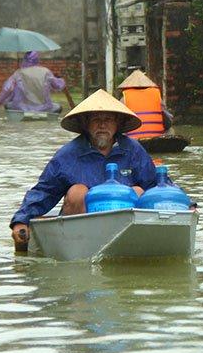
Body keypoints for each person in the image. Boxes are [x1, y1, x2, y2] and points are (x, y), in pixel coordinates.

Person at [9, 89, 157, 249]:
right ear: (86, 124)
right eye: (96, 119)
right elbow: (45, 191)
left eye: (108, 119)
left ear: (117, 124)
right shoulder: (68, 154)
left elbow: (155, 185)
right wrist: (21, 221)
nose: (102, 125)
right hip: (81, 234)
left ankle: (134, 247)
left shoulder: (133, 150)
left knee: (138, 192)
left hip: (126, 230)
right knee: (78, 192)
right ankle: (79, 248)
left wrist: (179, 205)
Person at [0, 51, 66, 113]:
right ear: (37, 59)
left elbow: (8, 88)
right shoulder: (46, 72)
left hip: (21, 109)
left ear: (25, 59)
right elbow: (58, 85)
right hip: (44, 109)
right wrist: (60, 80)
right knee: (58, 107)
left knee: (8, 105)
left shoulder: (18, 73)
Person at [116, 69, 173, 139]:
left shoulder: (124, 98)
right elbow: (169, 121)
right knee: (171, 130)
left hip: (133, 140)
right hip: (157, 138)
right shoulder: (156, 95)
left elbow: (118, 122)